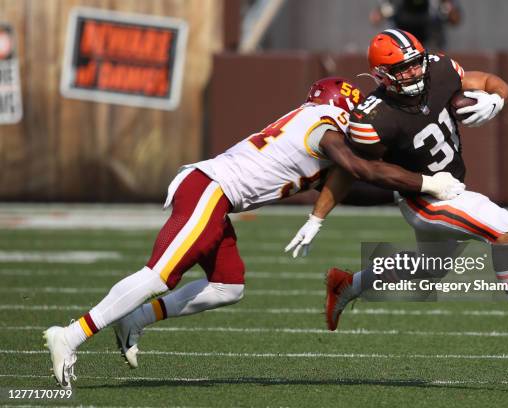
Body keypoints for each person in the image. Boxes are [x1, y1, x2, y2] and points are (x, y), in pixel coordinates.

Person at [43, 76, 465, 389]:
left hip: (218, 196)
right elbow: (358, 168)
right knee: (158, 275)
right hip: (211, 189)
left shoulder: (314, 122)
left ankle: (136, 318)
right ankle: (71, 334)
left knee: (228, 287)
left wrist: (317, 218)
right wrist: (427, 183)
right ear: (342, 106)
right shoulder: (324, 127)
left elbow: (346, 173)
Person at [286, 29, 508, 351]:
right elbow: (351, 170)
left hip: (452, 185)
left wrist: (497, 99)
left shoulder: (438, 69)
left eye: (415, 63)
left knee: (430, 268)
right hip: (421, 198)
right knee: (503, 228)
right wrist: (317, 218)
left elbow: (492, 81)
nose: (412, 72)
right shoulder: (373, 118)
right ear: (382, 75)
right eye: (402, 69)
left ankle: (347, 285)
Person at [370, 0, 461, 50]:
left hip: (431, 40)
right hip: (403, 39)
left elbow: (455, 20)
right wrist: (383, 11)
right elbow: (375, 19)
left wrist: (447, 8)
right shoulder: (396, 4)